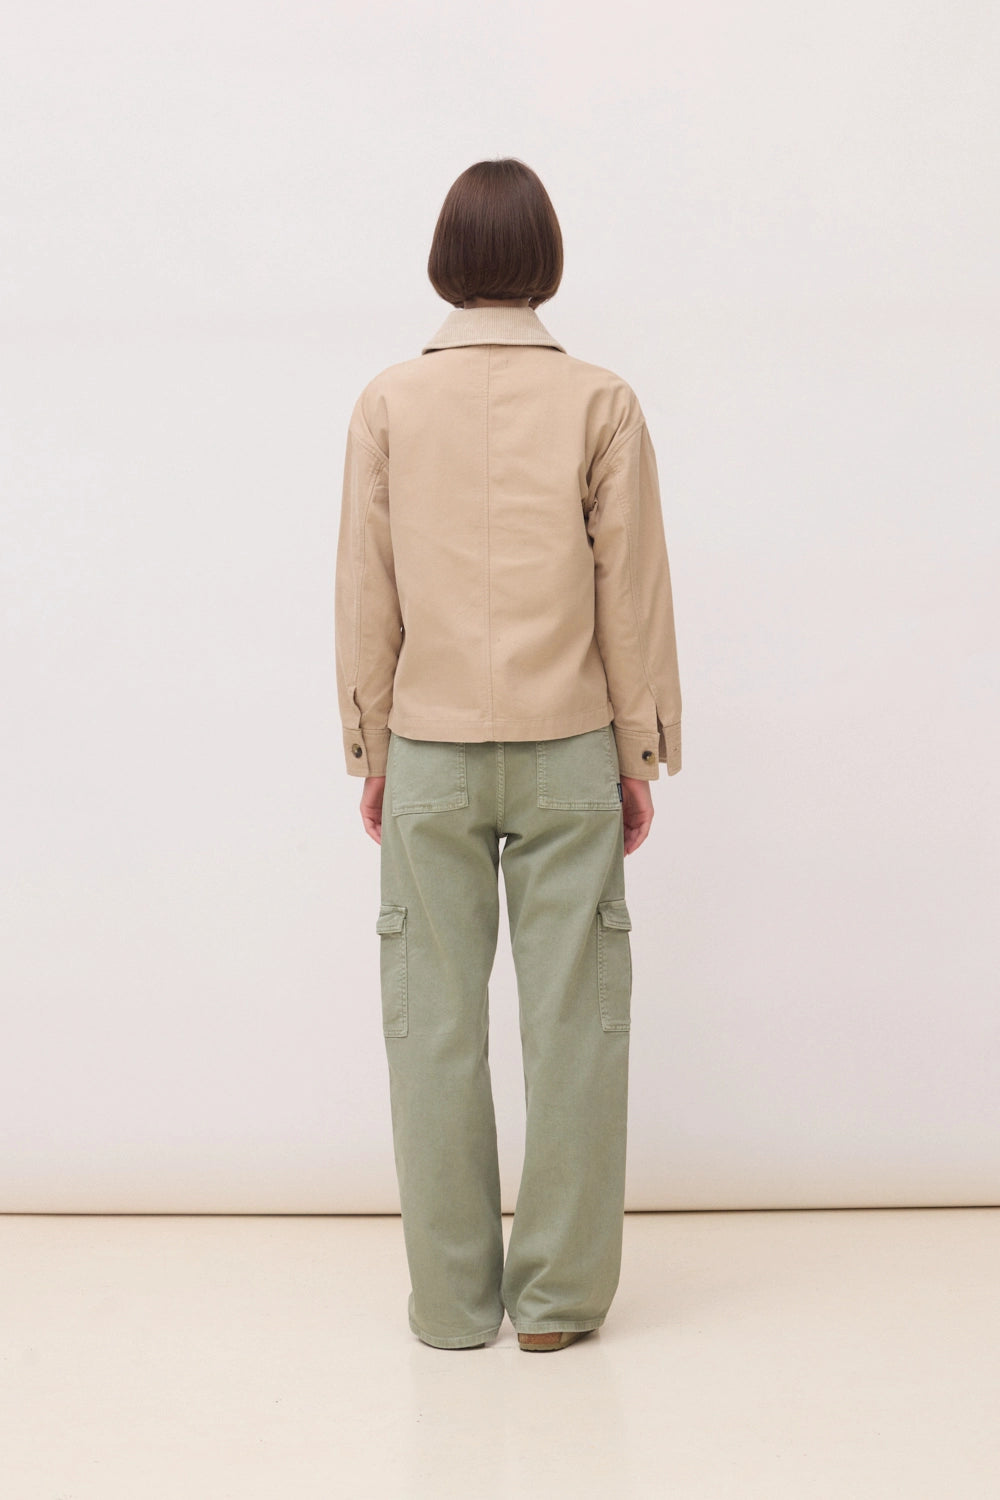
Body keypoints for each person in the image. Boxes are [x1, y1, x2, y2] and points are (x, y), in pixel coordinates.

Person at [335, 158, 682, 1352]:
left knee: (431, 1029)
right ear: (545, 260)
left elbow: (366, 587)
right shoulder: (600, 401)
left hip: (427, 750)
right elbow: (629, 591)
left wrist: (371, 744)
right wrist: (637, 750)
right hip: (567, 746)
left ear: (445, 260)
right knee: (576, 1027)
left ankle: (450, 1305)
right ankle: (556, 1305)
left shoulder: (388, 402)